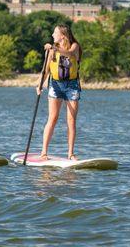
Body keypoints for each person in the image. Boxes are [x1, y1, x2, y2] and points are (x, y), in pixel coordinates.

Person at [36, 24, 82, 161]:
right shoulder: (51, 51)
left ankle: (71, 154)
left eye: (54, 32)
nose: (52, 35)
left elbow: (69, 53)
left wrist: (54, 48)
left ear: (62, 35)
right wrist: (39, 85)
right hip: (55, 85)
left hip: (72, 86)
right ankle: (44, 152)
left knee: (71, 121)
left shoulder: (74, 46)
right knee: (53, 118)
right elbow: (45, 71)